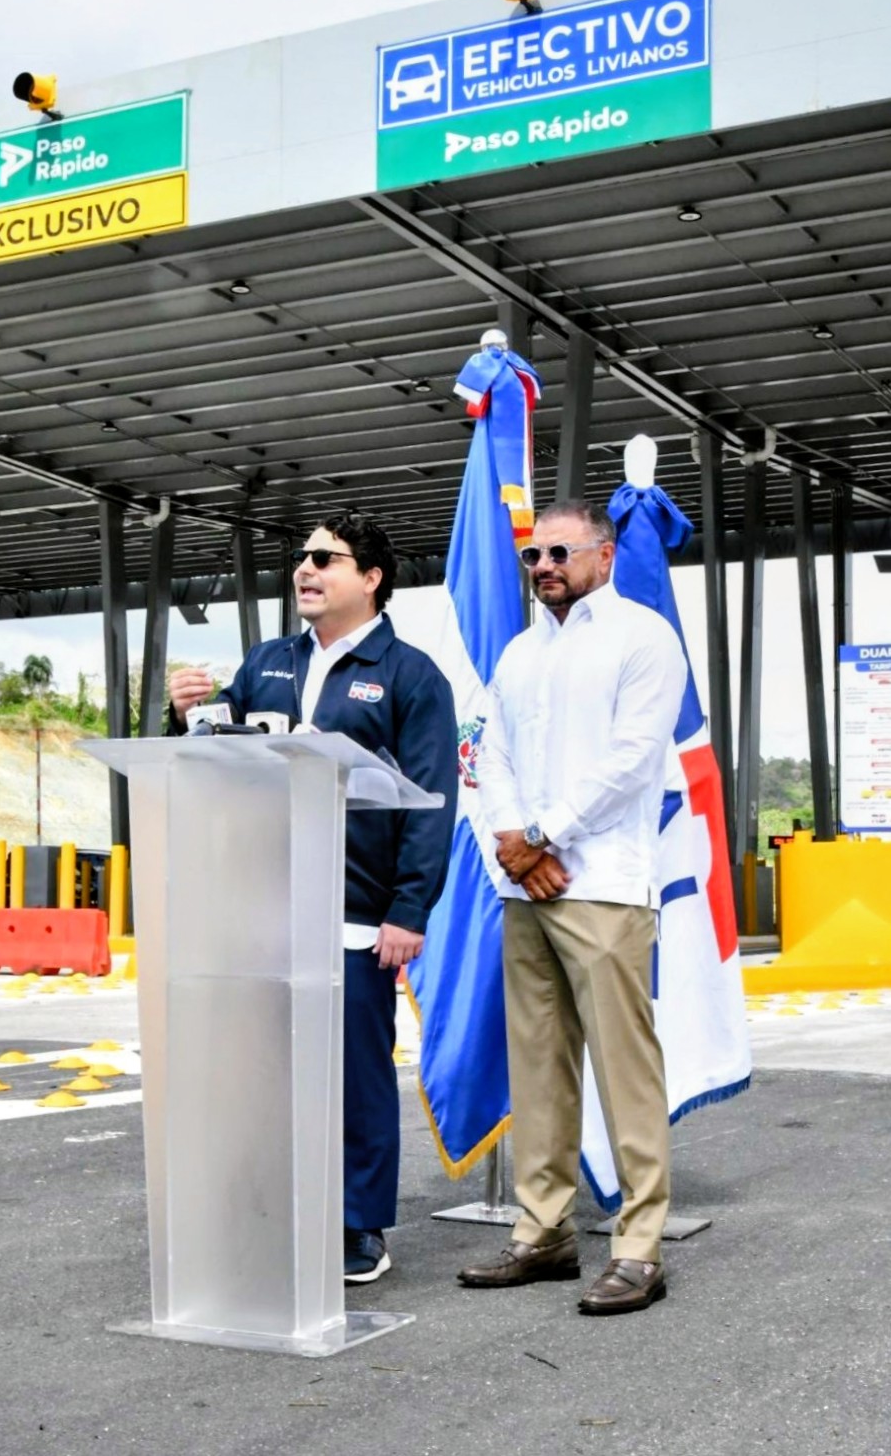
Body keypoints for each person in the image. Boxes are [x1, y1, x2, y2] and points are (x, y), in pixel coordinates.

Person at [168, 511, 457, 1285]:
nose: (305, 567)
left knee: (356, 1077)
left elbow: (431, 800)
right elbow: (212, 755)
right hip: (261, 906)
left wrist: (409, 910)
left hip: (357, 912)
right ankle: (270, 1208)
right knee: (261, 1074)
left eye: (325, 557)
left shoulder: (410, 674)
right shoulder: (266, 661)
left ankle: (359, 1224)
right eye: (301, 556)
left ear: (371, 577)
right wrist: (183, 709)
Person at [457, 499, 687, 1315]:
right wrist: (516, 844)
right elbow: (489, 753)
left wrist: (545, 833)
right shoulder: (519, 654)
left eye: (560, 550)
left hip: (606, 884)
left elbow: (633, 760)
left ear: (604, 552)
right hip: (527, 884)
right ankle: (544, 1230)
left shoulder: (642, 638)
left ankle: (638, 1244)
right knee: (539, 1064)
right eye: (533, 555)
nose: (545, 565)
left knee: (626, 1069)